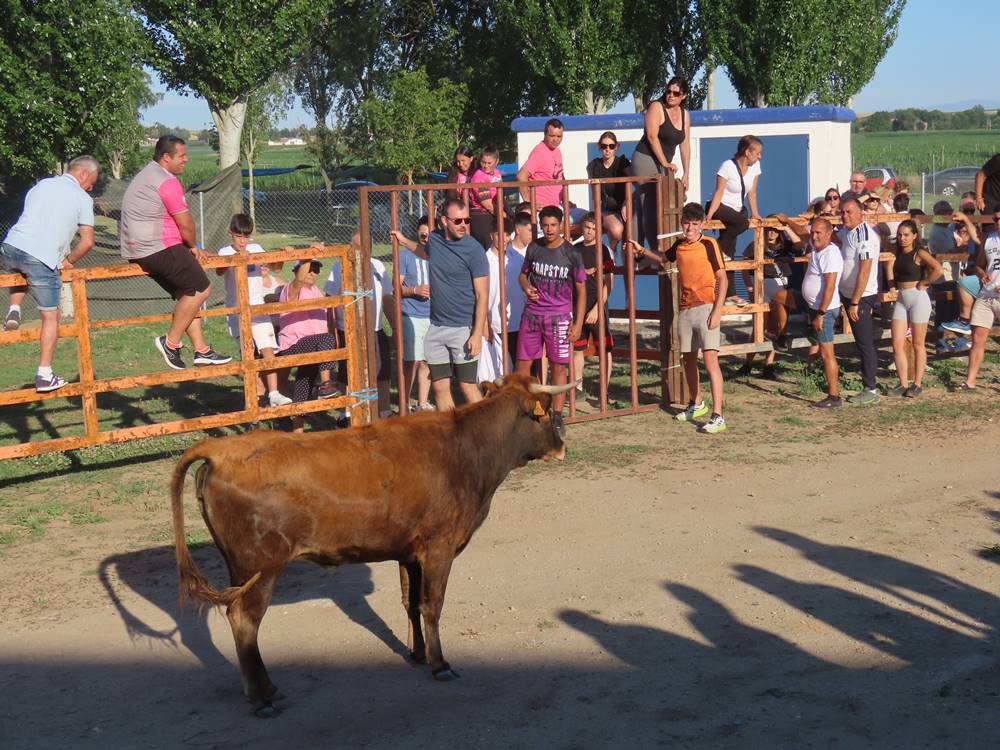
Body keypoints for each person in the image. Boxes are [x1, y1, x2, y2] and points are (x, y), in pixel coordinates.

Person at [120, 135, 231, 370]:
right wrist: (192, 246)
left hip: (139, 248)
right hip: (158, 246)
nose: (186, 160)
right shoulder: (165, 180)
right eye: (182, 156)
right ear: (166, 157)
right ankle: (170, 343)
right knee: (202, 288)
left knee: (186, 293)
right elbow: (185, 222)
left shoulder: (145, 175)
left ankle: (201, 350)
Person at [0, 155, 100, 391]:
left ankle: (14, 309)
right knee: (50, 316)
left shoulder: (42, 185)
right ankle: (44, 374)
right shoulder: (82, 198)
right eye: (92, 181)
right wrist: (68, 260)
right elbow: (87, 242)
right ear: (84, 174)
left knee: (21, 270)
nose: (92, 187)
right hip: (42, 258)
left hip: (11, 245)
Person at [627, 202, 728, 434]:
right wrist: (642, 251)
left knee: (711, 361)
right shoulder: (680, 245)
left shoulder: (710, 244)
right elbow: (664, 259)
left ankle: (718, 414)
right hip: (684, 308)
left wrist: (717, 310)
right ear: (681, 223)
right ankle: (697, 403)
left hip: (706, 307)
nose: (690, 227)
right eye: (686, 223)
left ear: (702, 224)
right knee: (688, 360)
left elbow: (723, 278)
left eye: (694, 223)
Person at [516, 205, 586, 424]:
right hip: (532, 316)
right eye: (545, 225)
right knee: (524, 366)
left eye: (553, 225)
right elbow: (522, 275)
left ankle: (556, 416)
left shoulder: (572, 253)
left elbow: (581, 290)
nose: (549, 230)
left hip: (559, 318)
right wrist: (526, 287)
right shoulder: (534, 248)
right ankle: (534, 410)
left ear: (561, 225)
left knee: (558, 366)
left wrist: (578, 323)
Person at [215, 213, 292, 408]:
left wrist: (283, 254)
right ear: (230, 233)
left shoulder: (256, 249)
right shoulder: (225, 251)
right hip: (237, 308)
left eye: (246, 236)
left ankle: (274, 393)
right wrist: (234, 259)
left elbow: (275, 267)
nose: (243, 241)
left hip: (257, 305)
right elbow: (219, 270)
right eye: (239, 236)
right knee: (248, 353)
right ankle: (255, 398)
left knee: (268, 348)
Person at [420, 198, 489, 410]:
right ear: (444, 221)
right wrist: (403, 240)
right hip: (437, 327)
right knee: (440, 387)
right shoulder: (435, 240)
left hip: (463, 329)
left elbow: (482, 295)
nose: (463, 225)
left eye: (466, 220)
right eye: (457, 220)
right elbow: (422, 251)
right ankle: (452, 434)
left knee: (468, 385)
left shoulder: (475, 250)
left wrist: (477, 333)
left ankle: (488, 434)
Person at [737, 214, 805, 379]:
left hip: (780, 285)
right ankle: (748, 363)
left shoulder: (785, 245)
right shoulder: (757, 243)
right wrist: (749, 286)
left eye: (775, 229)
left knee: (777, 327)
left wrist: (786, 227)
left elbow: (800, 244)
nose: (772, 233)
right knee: (760, 327)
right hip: (761, 283)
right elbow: (745, 266)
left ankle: (769, 364)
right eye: (770, 228)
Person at [628, 77, 691, 250]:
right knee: (652, 201)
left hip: (663, 164)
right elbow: (651, 136)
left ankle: (667, 245)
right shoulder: (657, 106)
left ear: (683, 96)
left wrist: (686, 173)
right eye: (668, 91)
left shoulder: (685, 115)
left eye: (676, 93)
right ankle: (653, 250)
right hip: (645, 158)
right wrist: (664, 162)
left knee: (676, 197)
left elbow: (685, 144)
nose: (670, 95)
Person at [278, 258, 341, 431]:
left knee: (304, 382)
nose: (313, 273)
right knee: (326, 339)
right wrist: (307, 257)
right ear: (298, 270)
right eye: (309, 269)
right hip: (294, 343)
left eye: (316, 270)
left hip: (314, 346)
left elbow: (329, 318)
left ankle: (297, 429)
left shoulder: (317, 291)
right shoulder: (290, 289)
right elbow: (297, 282)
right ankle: (325, 385)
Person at [887, 220, 943, 398]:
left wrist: (925, 282)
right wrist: (891, 286)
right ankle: (903, 383)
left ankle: (917, 384)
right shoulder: (895, 252)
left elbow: (938, 269)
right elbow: (890, 270)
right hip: (902, 299)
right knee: (897, 343)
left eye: (906, 235)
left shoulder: (919, 253)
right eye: (900, 235)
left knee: (918, 343)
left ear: (914, 236)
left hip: (918, 298)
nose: (902, 238)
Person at [706, 135, 762, 307]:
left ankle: (731, 294)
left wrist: (756, 213)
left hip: (737, 210)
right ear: (747, 152)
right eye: (758, 153)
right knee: (741, 222)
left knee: (728, 255)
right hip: (721, 208)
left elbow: (751, 193)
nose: (760, 156)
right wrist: (708, 216)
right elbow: (719, 192)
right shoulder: (727, 166)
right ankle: (718, 248)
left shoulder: (755, 167)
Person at [838, 197, 881, 404]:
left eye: (849, 212)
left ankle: (870, 388)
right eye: (843, 212)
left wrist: (854, 301)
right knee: (860, 341)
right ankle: (869, 383)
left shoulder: (864, 235)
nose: (845, 215)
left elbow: (864, 271)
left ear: (860, 213)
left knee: (865, 342)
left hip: (861, 297)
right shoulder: (847, 232)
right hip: (848, 295)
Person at [801, 218, 844, 408]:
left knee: (827, 353)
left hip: (823, 310)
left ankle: (834, 395)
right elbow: (804, 235)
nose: (814, 236)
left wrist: (820, 313)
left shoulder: (830, 254)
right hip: (815, 307)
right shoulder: (818, 248)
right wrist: (786, 222)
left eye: (818, 233)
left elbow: (830, 286)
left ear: (828, 234)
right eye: (813, 232)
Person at [390, 219, 433, 411]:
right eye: (422, 234)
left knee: (428, 360)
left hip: (434, 315)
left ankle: (422, 402)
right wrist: (414, 289)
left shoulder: (437, 255)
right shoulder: (406, 256)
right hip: (412, 314)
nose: (425, 237)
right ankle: (405, 402)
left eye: (428, 234)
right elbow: (396, 287)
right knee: (411, 361)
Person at [571, 212, 615, 393]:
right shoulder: (574, 249)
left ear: (600, 232)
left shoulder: (604, 251)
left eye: (593, 229)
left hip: (598, 306)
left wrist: (597, 309)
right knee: (576, 349)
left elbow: (609, 284)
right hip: (577, 306)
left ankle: (604, 390)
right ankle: (577, 388)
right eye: (587, 228)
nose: (589, 232)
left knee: (604, 349)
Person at [957, 211, 1000, 390]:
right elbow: (980, 265)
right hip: (987, 294)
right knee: (977, 337)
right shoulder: (989, 239)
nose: (998, 221)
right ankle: (970, 382)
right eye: (996, 218)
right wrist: (981, 273)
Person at [940, 210, 983, 341]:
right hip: (978, 278)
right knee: (963, 285)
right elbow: (976, 237)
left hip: (982, 279)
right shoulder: (989, 239)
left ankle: (964, 326)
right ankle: (963, 329)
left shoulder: (981, 240)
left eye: (965, 232)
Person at [585, 131, 631, 252]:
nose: (607, 149)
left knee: (629, 244)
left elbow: (633, 183)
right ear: (600, 147)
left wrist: (626, 203)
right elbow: (596, 196)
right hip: (607, 209)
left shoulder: (623, 163)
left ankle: (627, 265)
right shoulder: (594, 166)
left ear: (617, 147)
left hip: (626, 207)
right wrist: (597, 213)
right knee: (616, 231)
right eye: (604, 146)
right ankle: (611, 252)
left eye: (611, 146)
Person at [477, 219, 507, 382]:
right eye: (499, 234)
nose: (503, 238)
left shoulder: (515, 257)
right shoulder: (484, 260)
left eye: (507, 234)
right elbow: (480, 293)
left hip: (517, 321)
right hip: (494, 321)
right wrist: (484, 323)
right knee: (497, 371)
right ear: (491, 235)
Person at [504, 211, 532, 360]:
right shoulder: (505, 253)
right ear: (518, 230)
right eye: (529, 230)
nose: (532, 234)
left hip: (530, 317)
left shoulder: (534, 251)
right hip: (510, 318)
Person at [469, 145, 504, 249]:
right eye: (483, 162)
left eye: (489, 163)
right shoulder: (478, 176)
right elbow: (487, 204)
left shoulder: (497, 174)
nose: (485, 166)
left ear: (496, 162)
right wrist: (502, 216)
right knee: (490, 247)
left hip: (494, 212)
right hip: (482, 214)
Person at [974, 153, 1000, 218]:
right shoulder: (998, 160)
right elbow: (980, 175)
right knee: (990, 225)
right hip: (991, 200)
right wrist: (979, 199)